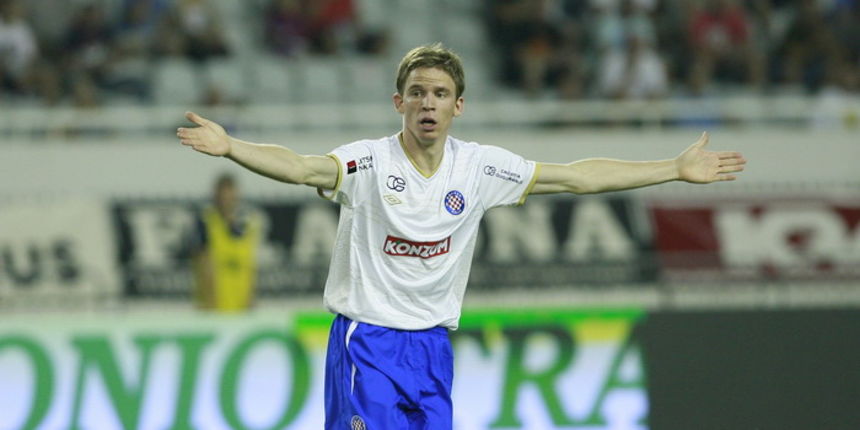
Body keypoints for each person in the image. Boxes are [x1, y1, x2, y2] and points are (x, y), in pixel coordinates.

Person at [177, 43, 746, 429]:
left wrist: (672, 168)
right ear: (399, 103)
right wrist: (233, 148)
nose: (429, 102)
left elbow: (577, 176)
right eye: (418, 92)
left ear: (458, 106)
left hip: (431, 349)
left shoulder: (480, 169)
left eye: (441, 93)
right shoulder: (368, 163)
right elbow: (301, 167)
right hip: (367, 342)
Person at [191, 173, 262, 312]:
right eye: (223, 195)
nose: (226, 200)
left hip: (241, 306)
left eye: (229, 194)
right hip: (214, 306)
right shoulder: (206, 223)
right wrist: (209, 303)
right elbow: (204, 264)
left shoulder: (246, 225)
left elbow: (249, 266)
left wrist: (251, 299)